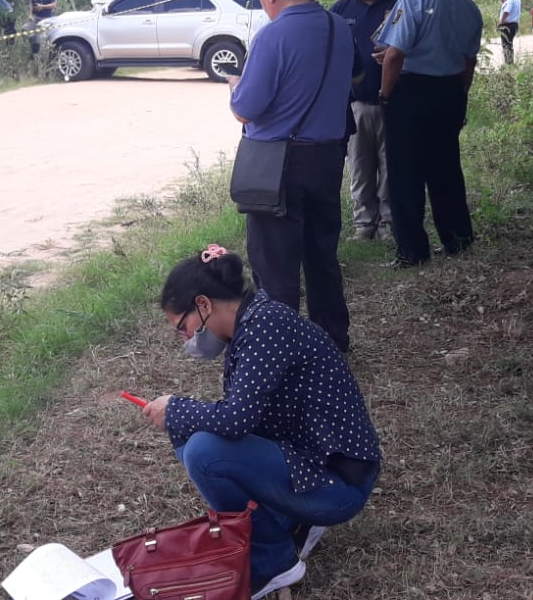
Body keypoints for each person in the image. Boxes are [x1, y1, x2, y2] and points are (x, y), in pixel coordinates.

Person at [143, 246, 382, 598]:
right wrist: (181, 417)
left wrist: (177, 408)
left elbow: (237, 420)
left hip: (339, 486)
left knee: (202, 451)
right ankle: (289, 523)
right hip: (312, 466)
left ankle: (273, 562)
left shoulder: (266, 326)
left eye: (183, 327)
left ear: (204, 305)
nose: (185, 340)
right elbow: (243, 419)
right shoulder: (250, 326)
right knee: (189, 433)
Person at [228, 0, 355, 351]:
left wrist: (234, 88)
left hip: (279, 166)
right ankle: (331, 344)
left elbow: (246, 110)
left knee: (276, 267)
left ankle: (280, 353)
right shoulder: (339, 26)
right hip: (329, 157)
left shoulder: (273, 34)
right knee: (322, 257)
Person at [375, 0, 485, 267]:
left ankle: (412, 250)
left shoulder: (414, 1)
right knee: (446, 168)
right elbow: (469, 61)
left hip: (410, 95)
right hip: (450, 92)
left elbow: (393, 56)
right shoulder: (470, 9)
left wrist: (385, 95)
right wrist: (459, 97)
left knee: (405, 173)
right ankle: (457, 239)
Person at [330, 0, 396, 241]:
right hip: (355, 104)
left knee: (391, 166)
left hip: (395, 103)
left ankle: (389, 225)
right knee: (359, 167)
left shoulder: (400, 6)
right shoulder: (339, 12)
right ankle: (363, 225)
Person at [496, 0, 523, 65]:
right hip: (514, 25)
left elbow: (506, 11)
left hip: (507, 25)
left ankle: (509, 64)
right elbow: (504, 2)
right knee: (509, 45)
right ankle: (510, 63)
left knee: (506, 46)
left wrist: (501, 23)